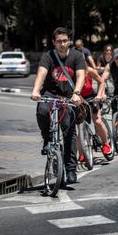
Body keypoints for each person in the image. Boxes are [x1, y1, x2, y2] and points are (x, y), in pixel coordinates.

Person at [31, 27, 86, 184]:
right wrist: (36, 91)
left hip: (69, 96)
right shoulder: (48, 56)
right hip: (50, 93)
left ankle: (70, 169)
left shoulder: (77, 56)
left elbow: (81, 75)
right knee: (42, 110)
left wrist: (77, 92)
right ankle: (47, 138)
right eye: (59, 41)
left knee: (69, 131)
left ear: (69, 41)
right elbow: (41, 74)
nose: (62, 44)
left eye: (65, 40)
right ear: (54, 42)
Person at [77, 65, 113, 162]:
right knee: (80, 128)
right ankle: (81, 154)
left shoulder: (89, 70)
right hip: (78, 99)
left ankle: (106, 144)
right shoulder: (71, 71)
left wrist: (99, 95)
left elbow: (101, 82)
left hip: (91, 98)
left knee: (97, 121)